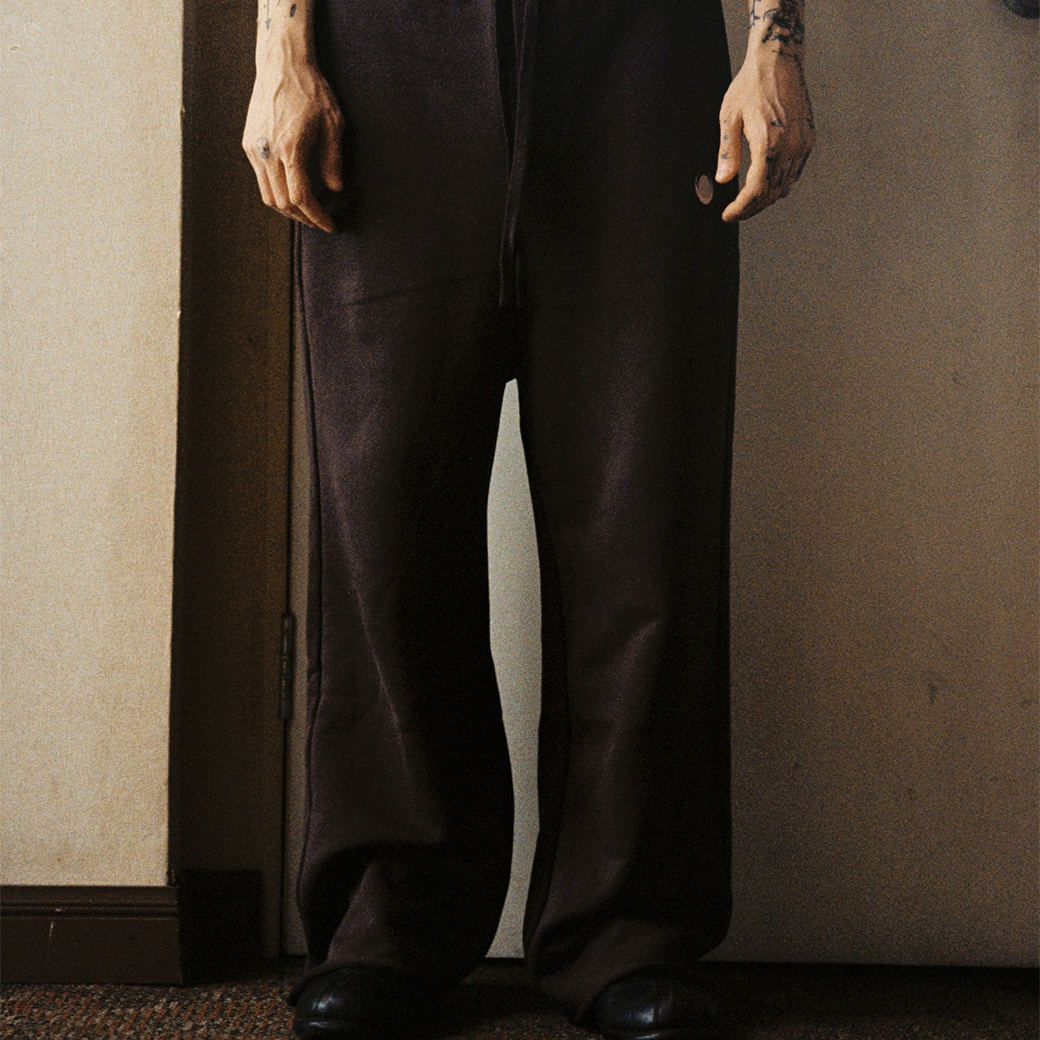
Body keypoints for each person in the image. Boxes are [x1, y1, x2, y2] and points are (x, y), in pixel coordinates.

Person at [243, 0, 814, 1037]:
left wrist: (774, 42)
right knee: (385, 523)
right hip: (388, 65)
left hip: (635, 58)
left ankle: (626, 926)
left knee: (644, 522)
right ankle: (390, 919)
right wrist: (281, 46)